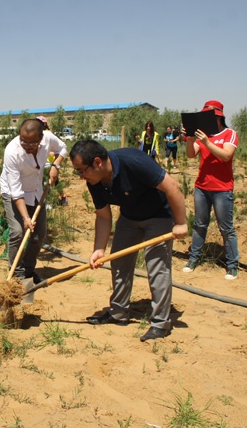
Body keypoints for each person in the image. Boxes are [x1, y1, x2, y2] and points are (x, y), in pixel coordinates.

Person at [69, 139, 188, 341]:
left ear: (97, 162)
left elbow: (172, 187)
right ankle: (118, 312)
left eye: (82, 171)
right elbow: (104, 216)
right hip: (129, 217)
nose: (81, 177)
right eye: (77, 172)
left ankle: (160, 323)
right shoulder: (94, 180)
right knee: (119, 262)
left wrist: (180, 223)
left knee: (156, 266)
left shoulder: (134, 161)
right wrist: (99, 249)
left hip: (158, 215)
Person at [0, 119, 67, 282]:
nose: (27, 145)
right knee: (17, 231)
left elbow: (63, 148)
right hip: (12, 192)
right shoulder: (12, 152)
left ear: (41, 137)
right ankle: (16, 273)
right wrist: (25, 217)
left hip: (36, 191)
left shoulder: (49, 138)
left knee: (39, 234)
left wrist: (55, 165)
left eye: (32, 142)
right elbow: (16, 191)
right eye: (23, 140)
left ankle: (28, 270)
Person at [181, 101, 240, 280]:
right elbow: (191, 154)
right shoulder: (203, 136)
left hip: (222, 189)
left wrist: (207, 141)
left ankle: (232, 265)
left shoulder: (230, 134)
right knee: (199, 224)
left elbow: (226, 155)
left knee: (226, 228)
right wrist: (191, 139)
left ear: (219, 116)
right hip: (202, 187)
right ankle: (194, 258)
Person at [38, 116, 69, 206]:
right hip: (45, 162)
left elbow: (59, 147)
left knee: (51, 182)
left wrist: (55, 162)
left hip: (49, 162)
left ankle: (52, 202)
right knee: (53, 182)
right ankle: (61, 197)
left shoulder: (47, 134)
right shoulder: (38, 133)